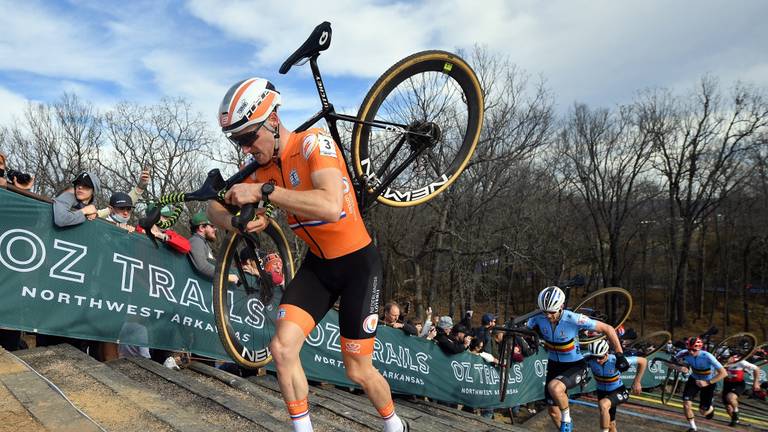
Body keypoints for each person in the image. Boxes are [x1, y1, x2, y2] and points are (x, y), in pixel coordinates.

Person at [207, 77, 408, 432]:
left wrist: (264, 191)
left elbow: (330, 206)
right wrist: (236, 222)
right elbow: (212, 208)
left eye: (248, 137)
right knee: (282, 350)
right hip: (319, 267)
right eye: (237, 141)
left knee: (357, 369)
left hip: (358, 264)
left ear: (272, 120)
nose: (245, 149)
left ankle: (395, 425)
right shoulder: (260, 168)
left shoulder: (314, 143)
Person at [526, 286, 625, 432]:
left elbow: (608, 329)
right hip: (554, 366)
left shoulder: (573, 318)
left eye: (552, 312)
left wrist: (619, 354)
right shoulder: (537, 318)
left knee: (555, 387)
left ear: (561, 307)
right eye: (544, 312)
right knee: (553, 412)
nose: (548, 316)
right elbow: (521, 329)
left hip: (575, 365)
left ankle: (567, 420)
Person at [586, 339, 647, 432]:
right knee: (611, 424)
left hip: (618, 390)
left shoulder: (615, 360)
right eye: (595, 357)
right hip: (602, 392)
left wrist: (637, 382)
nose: (597, 360)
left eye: (600, 357)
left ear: (606, 353)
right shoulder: (589, 359)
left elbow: (643, 361)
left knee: (603, 404)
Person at [673, 336, 728, 432]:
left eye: (694, 350)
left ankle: (710, 407)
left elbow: (724, 373)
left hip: (709, 382)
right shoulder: (683, 353)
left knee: (703, 412)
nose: (691, 352)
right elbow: (668, 363)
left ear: (699, 348)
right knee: (686, 403)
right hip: (694, 379)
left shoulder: (707, 356)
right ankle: (693, 427)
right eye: (689, 349)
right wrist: (678, 367)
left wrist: (707, 382)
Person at [721, 350, 761, 427]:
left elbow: (757, 369)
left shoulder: (741, 362)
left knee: (731, 397)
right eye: (723, 358)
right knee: (728, 408)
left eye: (726, 358)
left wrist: (755, 383)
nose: (724, 360)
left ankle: (736, 411)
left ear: (732, 357)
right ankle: (735, 419)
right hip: (727, 384)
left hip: (738, 384)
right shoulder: (720, 361)